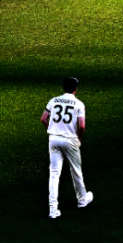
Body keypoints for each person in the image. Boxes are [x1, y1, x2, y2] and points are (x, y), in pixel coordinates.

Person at [40, 76, 94, 219]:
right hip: (70, 140)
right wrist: (79, 138)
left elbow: (43, 119)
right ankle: (82, 200)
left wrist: (51, 130)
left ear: (63, 88)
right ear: (76, 89)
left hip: (54, 139)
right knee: (75, 170)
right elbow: (81, 126)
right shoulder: (79, 104)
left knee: (54, 174)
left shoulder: (53, 100)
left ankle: (53, 210)